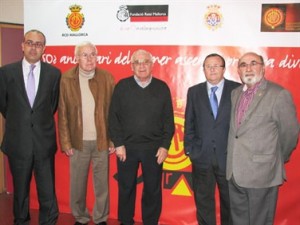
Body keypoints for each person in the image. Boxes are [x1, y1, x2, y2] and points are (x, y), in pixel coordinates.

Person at [226, 52, 299, 225]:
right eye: (243, 65)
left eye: (253, 63)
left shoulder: (278, 94)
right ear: (238, 70)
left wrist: (275, 158)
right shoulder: (236, 93)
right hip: (235, 172)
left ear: (263, 68)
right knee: (238, 221)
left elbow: (290, 133)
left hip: (262, 174)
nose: (248, 68)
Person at [0, 29, 60, 225]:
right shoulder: (6, 72)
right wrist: (22, 121)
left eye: (38, 44)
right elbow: (4, 105)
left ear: (44, 48)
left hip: (44, 143)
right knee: (21, 192)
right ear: (22, 45)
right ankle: (21, 221)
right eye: (30, 43)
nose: (34, 47)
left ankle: (48, 221)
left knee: (47, 191)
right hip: (18, 143)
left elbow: (52, 105)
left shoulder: (54, 74)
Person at [108, 49, 175, 225]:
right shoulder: (122, 86)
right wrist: (119, 143)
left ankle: (151, 222)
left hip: (154, 149)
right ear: (132, 66)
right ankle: (126, 221)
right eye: (137, 62)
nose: (142, 66)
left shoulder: (162, 88)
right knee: (126, 188)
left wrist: (165, 145)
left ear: (152, 65)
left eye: (145, 62)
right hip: (126, 148)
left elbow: (169, 121)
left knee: (152, 190)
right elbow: (113, 118)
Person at [58, 41, 115, 225]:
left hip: (101, 141)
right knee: (77, 185)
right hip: (78, 142)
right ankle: (80, 217)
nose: (90, 59)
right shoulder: (67, 79)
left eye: (93, 54)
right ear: (76, 58)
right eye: (85, 55)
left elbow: (114, 112)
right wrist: (66, 143)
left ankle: (100, 218)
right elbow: (63, 113)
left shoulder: (107, 78)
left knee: (102, 185)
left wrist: (113, 140)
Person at [184, 53, 240, 225]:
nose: (212, 69)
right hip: (202, 157)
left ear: (224, 69)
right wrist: (190, 150)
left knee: (229, 203)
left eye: (216, 65)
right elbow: (189, 122)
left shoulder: (237, 90)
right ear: (203, 70)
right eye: (208, 66)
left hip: (229, 157)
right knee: (203, 201)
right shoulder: (194, 91)